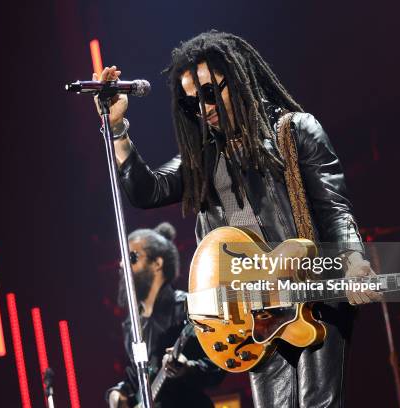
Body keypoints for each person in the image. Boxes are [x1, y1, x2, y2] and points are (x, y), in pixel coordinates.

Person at [93, 30, 380, 407]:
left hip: (310, 298)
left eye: (211, 93)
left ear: (239, 78)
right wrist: (116, 128)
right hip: (251, 319)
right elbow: (147, 190)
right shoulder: (202, 159)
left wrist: (355, 261)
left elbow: (335, 210)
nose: (204, 108)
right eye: (192, 102)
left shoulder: (293, 133)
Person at [106, 222, 224, 408]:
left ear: (157, 263)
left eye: (132, 257)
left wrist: (189, 369)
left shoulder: (189, 306)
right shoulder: (132, 324)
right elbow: (137, 377)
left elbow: (219, 364)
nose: (122, 264)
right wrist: (119, 392)